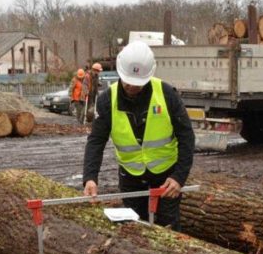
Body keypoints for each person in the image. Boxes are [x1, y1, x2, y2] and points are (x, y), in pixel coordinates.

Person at [83, 41, 195, 231]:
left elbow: (186, 137)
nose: (130, 86)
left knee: (168, 230)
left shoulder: (166, 94)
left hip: (166, 178)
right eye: (127, 80)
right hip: (131, 178)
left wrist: (179, 177)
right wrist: (90, 178)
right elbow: (96, 141)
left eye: (136, 83)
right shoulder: (107, 101)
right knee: (134, 231)